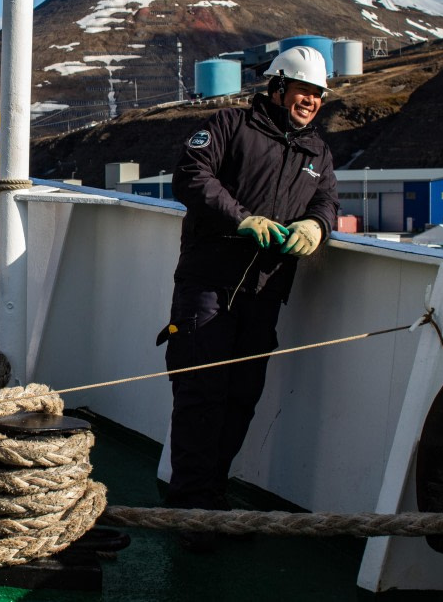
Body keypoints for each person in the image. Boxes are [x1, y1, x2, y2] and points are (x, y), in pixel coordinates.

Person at [158, 45, 339, 552]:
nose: (311, 102)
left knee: (240, 399)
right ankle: (190, 510)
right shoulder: (229, 125)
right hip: (208, 288)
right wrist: (243, 219)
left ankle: (210, 499)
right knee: (201, 396)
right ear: (278, 86)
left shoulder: (318, 154)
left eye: (317, 95)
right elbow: (192, 177)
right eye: (304, 91)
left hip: (264, 294)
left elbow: (328, 201)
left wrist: (317, 225)